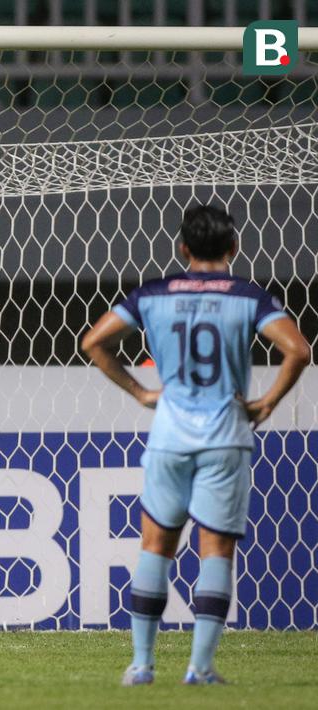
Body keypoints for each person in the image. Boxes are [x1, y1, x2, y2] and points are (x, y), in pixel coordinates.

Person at [81, 204, 309, 685]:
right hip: (226, 436)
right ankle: (200, 668)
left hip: (169, 436)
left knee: (154, 546)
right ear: (234, 247)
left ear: (182, 248)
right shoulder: (249, 296)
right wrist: (266, 403)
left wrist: (141, 392)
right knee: (216, 551)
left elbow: (93, 342)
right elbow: (298, 350)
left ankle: (141, 665)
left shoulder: (154, 294)